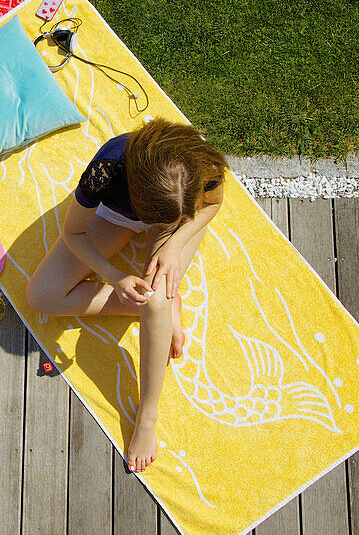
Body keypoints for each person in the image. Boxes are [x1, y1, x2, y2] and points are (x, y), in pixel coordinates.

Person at [25, 118, 226, 473]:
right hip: (120, 216)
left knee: (159, 297)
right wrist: (116, 277)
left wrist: (175, 242)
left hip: (176, 222)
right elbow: (73, 232)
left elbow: (211, 205)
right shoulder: (107, 169)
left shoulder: (199, 162)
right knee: (41, 295)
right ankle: (157, 312)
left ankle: (146, 416)